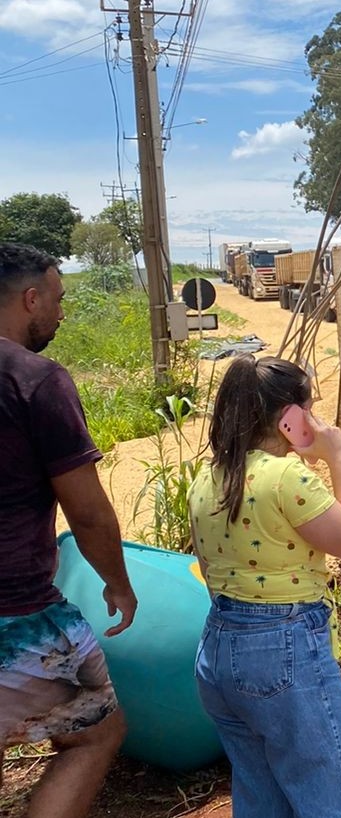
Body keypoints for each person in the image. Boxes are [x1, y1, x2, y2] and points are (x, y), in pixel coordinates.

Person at [188, 355, 341, 817]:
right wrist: (339, 457)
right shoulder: (287, 477)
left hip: (219, 648)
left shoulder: (207, 479)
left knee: (260, 797)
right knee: (335, 796)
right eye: (309, 407)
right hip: (283, 649)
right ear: (289, 417)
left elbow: (208, 568)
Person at [0, 241, 138, 818]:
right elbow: (86, 511)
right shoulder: (35, 380)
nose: (60, 313)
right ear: (30, 299)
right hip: (17, 611)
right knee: (96, 733)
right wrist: (117, 583)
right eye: (56, 301)